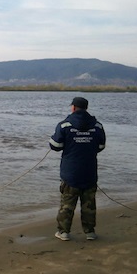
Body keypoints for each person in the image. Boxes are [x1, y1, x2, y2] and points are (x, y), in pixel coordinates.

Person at [49, 97, 106, 241]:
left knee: (67, 204)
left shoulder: (64, 125)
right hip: (89, 171)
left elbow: (55, 146)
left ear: (73, 108)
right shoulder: (97, 126)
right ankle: (89, 232)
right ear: (86, 108)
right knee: (89, 204)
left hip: (71, 173)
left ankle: (63, 232)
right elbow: (101, 146)